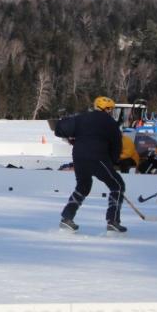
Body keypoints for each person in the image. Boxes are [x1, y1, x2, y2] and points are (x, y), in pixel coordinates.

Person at [57, 96, 127, 234]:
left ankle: (67, 217)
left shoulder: (82, 117)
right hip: (98, 158)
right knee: (117, 186)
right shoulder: (111, 123)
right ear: (106, 109)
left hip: (78, 157)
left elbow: (60, 129)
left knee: (83, 186)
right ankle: (113, 221)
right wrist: (113, 162)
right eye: (111, 109)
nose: (112, 112)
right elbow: (116, 146)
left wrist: (72, 138)